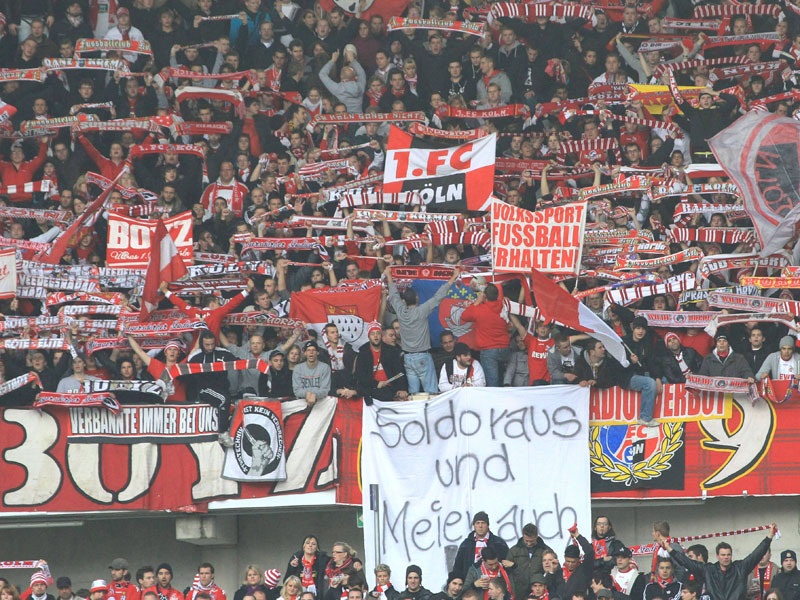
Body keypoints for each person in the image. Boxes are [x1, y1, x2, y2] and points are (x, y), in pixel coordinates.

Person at [385, 266, 460, 394]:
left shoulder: (400, 311)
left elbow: (393, 295)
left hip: (408, 358)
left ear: (404, 301)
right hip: (422, 357)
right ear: (417, 299)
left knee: (413, 393)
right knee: (431, 392)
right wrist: (453, 277)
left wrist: (389, 276)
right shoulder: (422, 311)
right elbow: (438, 297)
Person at [667, 525, 777, 600]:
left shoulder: (740, 567)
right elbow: (687, 562)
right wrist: (670, 549)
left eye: (728, 555)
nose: (726, 557)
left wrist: (769, 537)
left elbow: (756, 555)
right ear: (717, 556)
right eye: (723, 555)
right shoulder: (708, 570)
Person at [575, 339, 659, 427]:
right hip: (586, 416)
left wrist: (632, 362)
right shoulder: (580, 361)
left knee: (649, 383)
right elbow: (574, 377)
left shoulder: (609, 361)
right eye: (600, 347)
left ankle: (645, 418)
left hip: (620, 383)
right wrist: (580, 381)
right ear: (592, 352)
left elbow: (612, 379)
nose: (604, 349)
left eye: (604, 346)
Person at [462, 283, 511, 387]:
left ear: (484, 295)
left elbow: (464, 316)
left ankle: (494, 403)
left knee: (492, 383)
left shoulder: (480, 309)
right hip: (505, 348)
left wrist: (477, 302)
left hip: (489, 350)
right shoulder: (504, 306)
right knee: (504, 380)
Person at [354, 321, 408, 403]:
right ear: (369, 336)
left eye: (378, 333)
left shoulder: (390, 351)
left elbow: (399, 372)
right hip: (372, 390)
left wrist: (402, 389)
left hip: (391, 390)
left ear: (381, 336)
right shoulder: (363, 353)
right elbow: (361, 376)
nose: (375, 336)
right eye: (372, 334)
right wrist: (376, 383)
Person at [453, 512, 510, 579]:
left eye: (483, 523)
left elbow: (507, 563)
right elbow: (458, 567)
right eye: (478, 523)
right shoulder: (466, 544)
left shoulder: (498, 543)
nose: (480, 526)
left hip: (494, 583)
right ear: (474, 525)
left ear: (487, 525)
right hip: (472, 583)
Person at [505, 523, 552, 600]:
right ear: (523, 535)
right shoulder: (514, 551)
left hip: (539, 593)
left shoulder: (546, 551)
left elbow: (554, 570)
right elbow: (507, 574)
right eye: (526, 540)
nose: (529, 543)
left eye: (532, 541)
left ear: (536, 536)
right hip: (519, 593)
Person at [292, 341, 332, 407]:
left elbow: (325, 390)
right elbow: (297, 391)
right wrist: (307, 394)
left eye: (313, 350)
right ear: (305, 353)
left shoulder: (325, 367)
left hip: (321, 404)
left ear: (317, 352)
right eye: (308, 350)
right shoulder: (298, 368)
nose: (311, 352)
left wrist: (314, 395)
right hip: (302, 404)